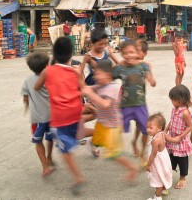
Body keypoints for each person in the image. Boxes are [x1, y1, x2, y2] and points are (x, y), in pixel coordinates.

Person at [34, 37, 84, 195]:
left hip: (60, 117)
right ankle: (97, 135)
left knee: (65, 150)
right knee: (77, 132)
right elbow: (83, 88)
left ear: (53, 54)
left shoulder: (48, 71)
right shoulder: (75, 71)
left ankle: (78, 178)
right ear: (71, 55)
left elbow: (36, 87)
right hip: (76, 111)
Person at [80, 60, 138, 181]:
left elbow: (105, 104)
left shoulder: (113, 88)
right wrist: (78, 74)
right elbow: (84, 88)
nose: (95, 77)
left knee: (114, 154)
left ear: (108, 74)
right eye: (95, 74)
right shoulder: (100, 86)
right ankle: (94, 144)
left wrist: (91, 93)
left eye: (98, 74)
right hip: (102, 123)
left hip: (113, 126)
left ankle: (132, 168)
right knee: (96, 139)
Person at [113, 40, 156, 157]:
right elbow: (109, 76)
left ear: (138, 53)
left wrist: (151, 80)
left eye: (132, 52)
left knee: (145, 129)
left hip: (140, 104)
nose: (129, 55)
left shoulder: (144, 66)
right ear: (122, 54)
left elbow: (151, 80)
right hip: (125, 105)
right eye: (125, 53)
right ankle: (115, 147)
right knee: (118, 128)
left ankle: (143, 151)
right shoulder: (120, 68)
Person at [21, 52, 54, 177]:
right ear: (46, 65)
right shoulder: (50, 78)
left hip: (37, 118)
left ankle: (45, 167)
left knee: (38, 141)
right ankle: (49, 157)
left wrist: (27, 105)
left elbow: (25, 98)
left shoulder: (27, 81)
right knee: (50, 138)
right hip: (52, 116)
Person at [165, 85, 192, 189]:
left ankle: (182, 177)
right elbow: (172, 120)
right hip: (172, 139)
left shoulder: (185, 112)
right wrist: (166, 129)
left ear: (181, 100)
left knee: (182, 161)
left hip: (180, 141)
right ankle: (168, 174)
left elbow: (190, 126)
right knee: (171, 158)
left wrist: (180, 137)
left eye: (173, 99)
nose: (172, 101)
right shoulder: (174, 109)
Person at [145, 113, 173, 200]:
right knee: (163, 174)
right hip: (164, 159)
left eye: (151, 128)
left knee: (157, 179)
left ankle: (157, 197)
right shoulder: (162, 134)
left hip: (157, 161)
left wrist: (148, 165)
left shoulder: (155, 141)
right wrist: (177, 139)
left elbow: (153, 154)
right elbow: (170, 139)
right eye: (147, 127)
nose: (148, 130)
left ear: (159, 128)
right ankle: (164, 189)